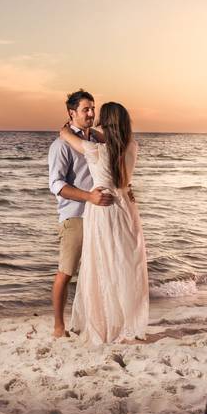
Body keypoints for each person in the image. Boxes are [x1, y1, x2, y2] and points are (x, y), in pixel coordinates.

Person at [59, 101, 148, 344]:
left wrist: (67, 130)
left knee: (101, 262)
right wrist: (98, 133)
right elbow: (113, 141)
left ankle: (106, 323)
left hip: (103, 209)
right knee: (124, 262)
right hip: (126, 208)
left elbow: (67, 136)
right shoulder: (132, 147)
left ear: (104, 123)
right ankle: (127, 320)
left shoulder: (96, 150)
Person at [47, 90, 114, 338]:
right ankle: (58, 327)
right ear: (71, 113)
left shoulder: (96, 142)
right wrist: (89, 197)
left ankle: (92, 322)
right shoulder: (61, 145)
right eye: (85, 109)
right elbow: (56, 185)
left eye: (92, 108)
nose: (90, 113)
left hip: (100, 217)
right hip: (75, 216)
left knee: (96, 272)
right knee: (66, 272)